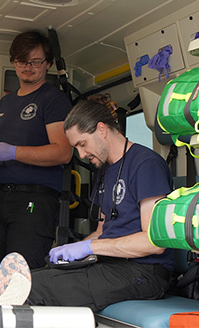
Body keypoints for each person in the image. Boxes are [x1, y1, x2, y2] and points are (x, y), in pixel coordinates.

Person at [27, 100, 175, 312]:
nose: (81, 155)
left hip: (145, 272)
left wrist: (88, 248)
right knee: (28, 279)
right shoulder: (105, 171)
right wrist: (70, 250)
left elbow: (154, 242)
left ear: (101, 129)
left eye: (82, 144)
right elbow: (102, 232)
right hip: (110, 264)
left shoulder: (145, 164)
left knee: (33, 289)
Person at [0, 31, 73, 270]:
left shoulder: (53, 100)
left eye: (36, 61)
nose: (28, 67)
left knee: (19, 272)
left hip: (35, 200)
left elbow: (63, 152)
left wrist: (13, 152)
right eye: (22, 61)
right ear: (14, 62)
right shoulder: (5, 103)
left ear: (48, 64)